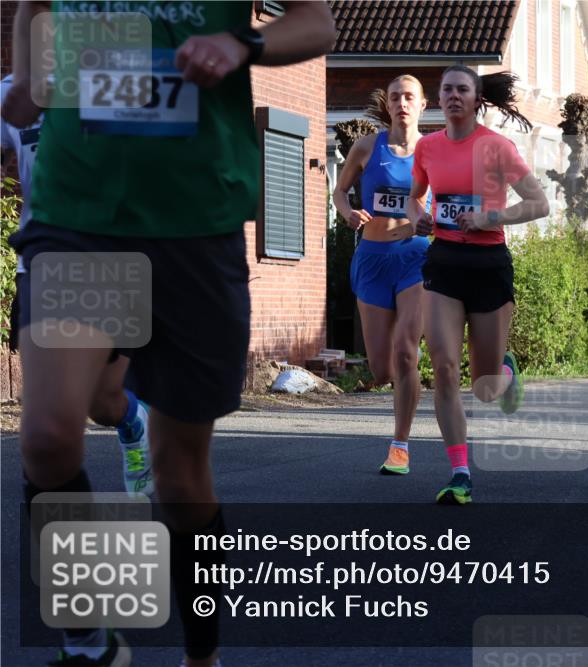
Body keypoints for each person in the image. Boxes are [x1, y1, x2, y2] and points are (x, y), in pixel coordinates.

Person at [3, 3, 337, 666]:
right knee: (46, 437)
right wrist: (28, 73)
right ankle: (89, 639)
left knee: (180, 478)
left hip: (194, 222)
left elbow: (318, 23)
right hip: (79, 217)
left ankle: (201, 653)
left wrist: (239, 44)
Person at [2, 74, 153, 498]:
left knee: (101, 404)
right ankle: (64, 559)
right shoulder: (14, 88)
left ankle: (132, 420)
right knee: (46, 437)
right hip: (42, 262)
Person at [408, 65, 549, 505]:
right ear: (441, 96)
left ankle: (503, 368)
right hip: (444, 262)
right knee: (445, 367)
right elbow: (414, 196)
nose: (453, 96)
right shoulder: (427, 147)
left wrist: (493, 217)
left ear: (476, 99)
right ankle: (459, 471)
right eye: (447, 89)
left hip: (489, 263)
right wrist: (419, 218)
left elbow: (539, 203)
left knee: (487, 387)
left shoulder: (497, 147)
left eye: (462, 89)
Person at [333, 75, 428, 476]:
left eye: (410, 97)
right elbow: (339, 191)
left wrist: (432, 221)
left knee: (406, 351)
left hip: (415, 257)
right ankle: (403, 381)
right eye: (395, 97)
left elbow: (456, 198)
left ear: (422, 104)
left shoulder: (434, 150)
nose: (402, 103)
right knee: (382, 369)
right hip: (372, 257)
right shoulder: (367, 146)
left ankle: (400, 445)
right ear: (387, 104)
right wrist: (348, 213)